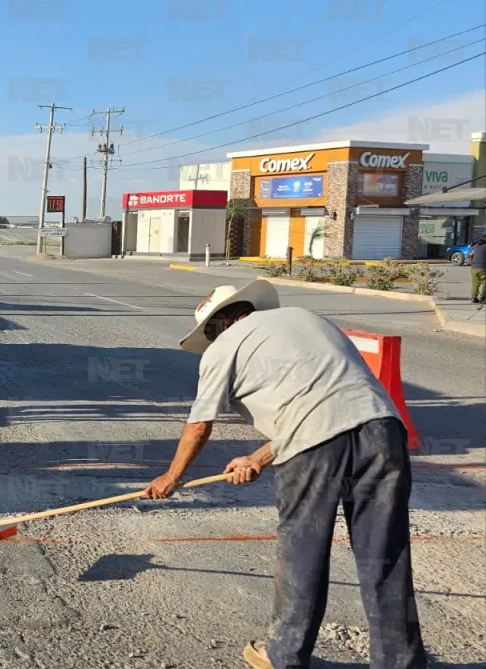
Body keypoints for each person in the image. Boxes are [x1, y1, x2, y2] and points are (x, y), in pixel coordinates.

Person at [145, 279, 426, 669]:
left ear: (218, 325)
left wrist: (171, 477)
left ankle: (284, 655)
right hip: (383, 432)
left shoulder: (223, 348)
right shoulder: (308, 320)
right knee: (386, 555)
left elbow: (199, 425)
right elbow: (326, 405)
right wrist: (257, 458)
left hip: (314, 449)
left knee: (303, 553)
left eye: (209, 332)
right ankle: (401, 662)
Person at [470, 236, 486, 305]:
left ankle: (474, 298)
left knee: (475, 283)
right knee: (485, 282)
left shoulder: (475, 246)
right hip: (483, 267)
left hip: (473, 267)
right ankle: (483, 297)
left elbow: (471, 255)